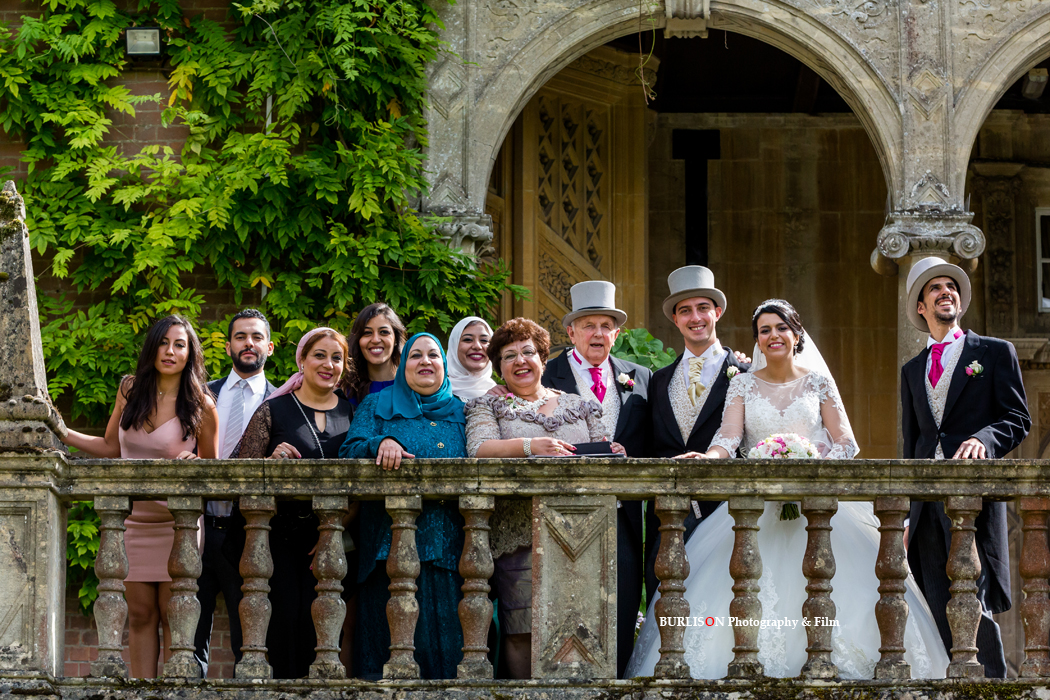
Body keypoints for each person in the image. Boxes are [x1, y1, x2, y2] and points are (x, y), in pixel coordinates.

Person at [626, 299, 949, 679]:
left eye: (781, 328)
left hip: (817, 509)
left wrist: (815, 466)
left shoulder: (817, 382)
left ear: (797, 335)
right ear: (757, 342)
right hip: (758, 509)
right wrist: (709, 458)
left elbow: (846, 442)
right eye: (764, 331)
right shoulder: (742, 384)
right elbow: (729, 439)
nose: (773, 335)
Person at [59, 315, 219, 678]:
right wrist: (63, 430)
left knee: (171, 615)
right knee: (142, 614)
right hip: (131, 523)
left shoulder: (202, 405)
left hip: (177, 527)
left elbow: (214, 470)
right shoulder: (130, 389)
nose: (170, 351)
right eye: (164, 342)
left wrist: (195, 463)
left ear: (190, 353)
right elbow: (111, 446)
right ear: (152, 347)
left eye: (180, 344)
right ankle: (142, 690)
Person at [466, 317, 624, 678]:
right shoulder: (488, 406)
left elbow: (601, 449)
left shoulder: (580, 405)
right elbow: (478, 448)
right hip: (519, 533)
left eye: (528, 352)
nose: (520, 361)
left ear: (542, 358)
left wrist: (611, 450)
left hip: (581, 533)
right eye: (509, 356)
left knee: (581, 628)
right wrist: (529, 446)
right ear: (499, 367)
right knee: (522, 627)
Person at [901, 258, 1031, 678]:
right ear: (921, 307)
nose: (945, 292)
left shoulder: (993, 353)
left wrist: (984, 440)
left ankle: (992, 687)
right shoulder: (912, 370)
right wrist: (906, 510)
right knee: (937, 605)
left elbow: (1017, 418)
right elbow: (912, 445)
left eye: (950, 286)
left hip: (971, 502)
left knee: (975, 607)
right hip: (925, 507)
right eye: (934, 288)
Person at [540, 280, 652, 678]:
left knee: (620, 605)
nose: (598, 334)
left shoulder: (640, 376)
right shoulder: (547, 375)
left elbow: (652, 440)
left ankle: (617, 682)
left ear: (616, 333)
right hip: (562, 514)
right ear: (570, 332)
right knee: (564, 607)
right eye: (588, 325)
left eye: (606, 326)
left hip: (622, 516)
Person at [339, 332, 468, 679]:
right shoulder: (375, 407)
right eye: (415, 356)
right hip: (388, 549)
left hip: (450, 552)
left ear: (444, 365)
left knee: (448, 652)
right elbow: (349, 451)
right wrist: (380, 440)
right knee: (388, 654)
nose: (425, 362)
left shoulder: (463, 412)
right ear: (402, 366)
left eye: (433, 356)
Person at [230, 327, 354, 679]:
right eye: (319, 355)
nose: (328, 364)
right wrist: (271, 458)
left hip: (330, 543)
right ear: (302, 360)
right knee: (282, 624)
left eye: (337, 358)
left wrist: (336, 532)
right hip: (276, 542)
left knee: (326, 634)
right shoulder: (274, 410)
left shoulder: (351, 412)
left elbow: (360, 485)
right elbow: (239, 474)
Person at [647, 266, 749, 599]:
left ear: (717, 312)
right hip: (669, 513)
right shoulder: (658, 380)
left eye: (703, 308)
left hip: (724, 512)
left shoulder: (746, 372)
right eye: (685, 310)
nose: (696, 317)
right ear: (675, 320)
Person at [194, 308, 276, 677]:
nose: (249, 343)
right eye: (241, 336)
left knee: (251, 641)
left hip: (252, 533)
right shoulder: (198, 397)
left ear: (269, 347)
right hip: (198, 527)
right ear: (228, 346)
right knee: (190, 637)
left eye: (257, 337)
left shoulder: (284, 402)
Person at [347, 302, 406, 406]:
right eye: (367, 333)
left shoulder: (412, 386)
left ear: (396, 338)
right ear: (358, 340)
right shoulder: (346, 392)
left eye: (384, 332)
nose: (375, 340)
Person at [446, 316, 496, 400]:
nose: (477, 346)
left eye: (484, 340)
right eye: (468, 339)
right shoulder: (439, 395)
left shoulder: (500, 395)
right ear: (454, 346)